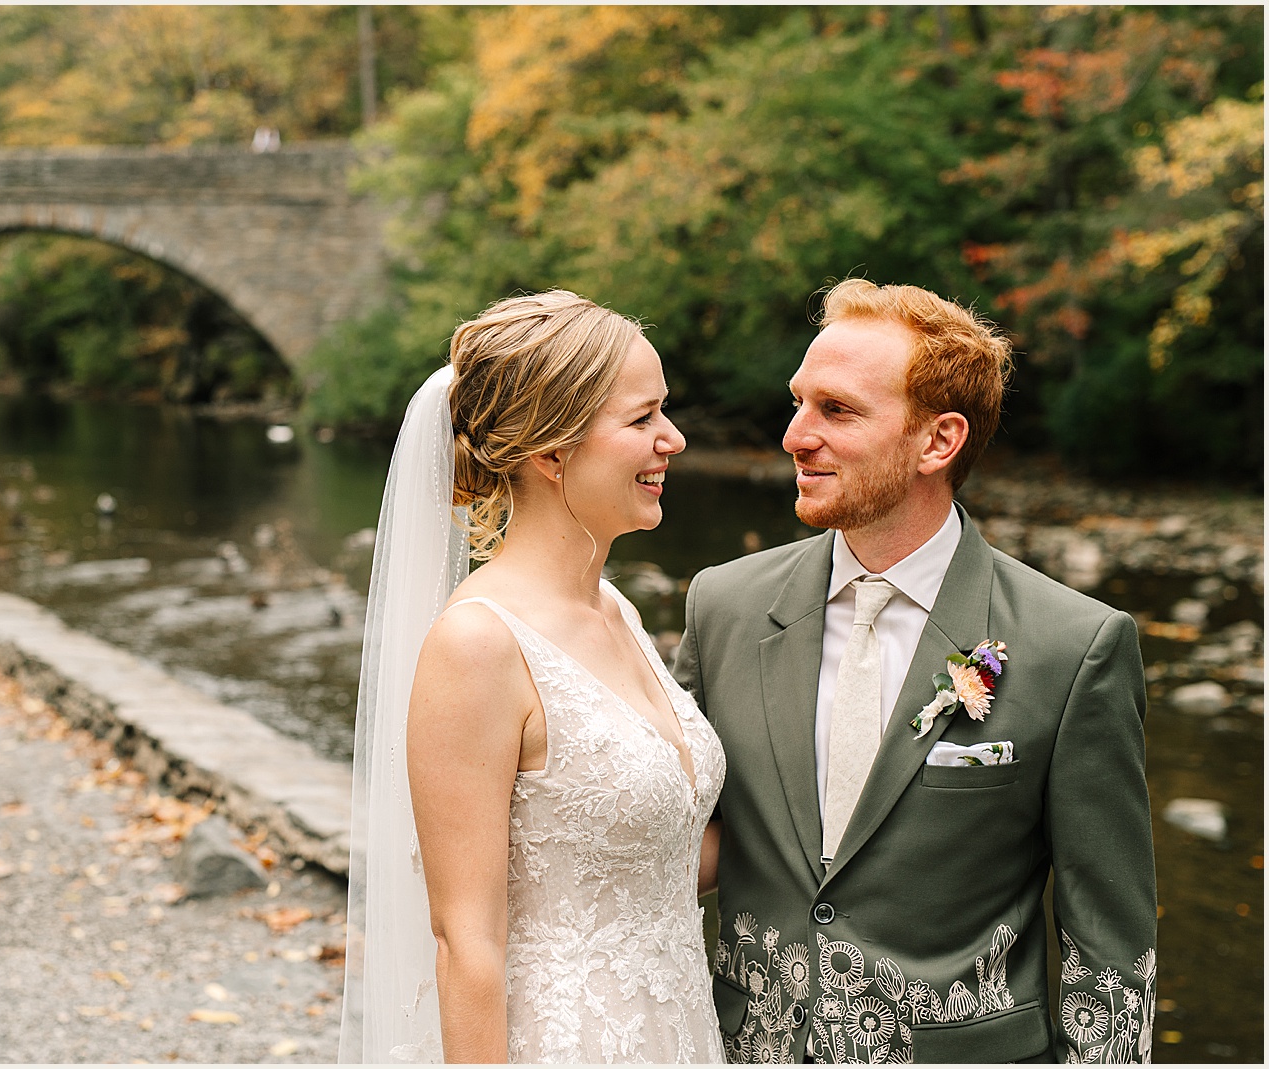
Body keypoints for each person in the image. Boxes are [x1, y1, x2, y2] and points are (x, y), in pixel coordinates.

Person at [675, 278, 1156, 1063]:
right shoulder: (722, 607)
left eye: (836, 410)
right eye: (798, 402)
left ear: (938, 441)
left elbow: (1111, 953)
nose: (795, 435)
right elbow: (677, 834)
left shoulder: (1077, 646)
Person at [340, 290, 726, 1063]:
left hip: (677, 1032)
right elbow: (465, 943)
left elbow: (656, 859)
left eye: (666, 413)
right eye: (643, 418)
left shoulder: (614, 609)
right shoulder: (478, 643)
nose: (673, 439)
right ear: (552, 453)